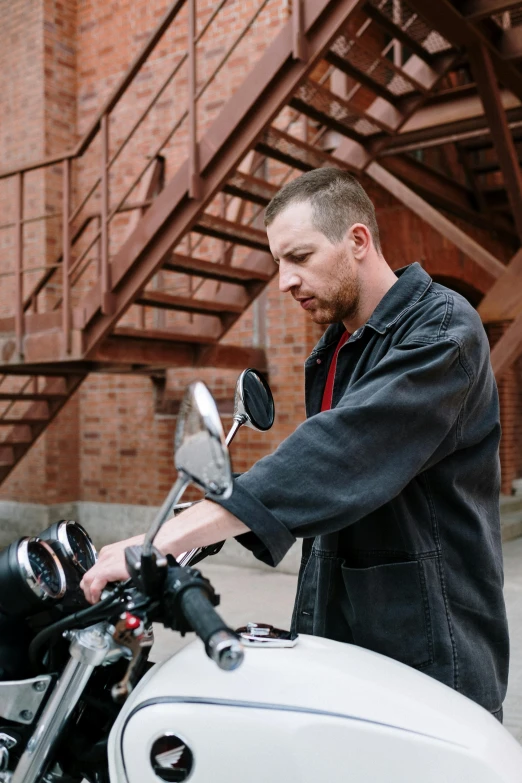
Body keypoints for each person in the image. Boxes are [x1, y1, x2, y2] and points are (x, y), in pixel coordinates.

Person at [81, 167, 509, 720]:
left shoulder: (443, 333)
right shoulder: (337, 347)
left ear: (357, 241)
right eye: (278, 262)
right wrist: (203, 538)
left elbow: (342, 453)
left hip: (430, 649)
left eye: (299, 257)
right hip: (345, 633)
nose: (284, 280)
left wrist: (162, 538)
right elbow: (327, 498)